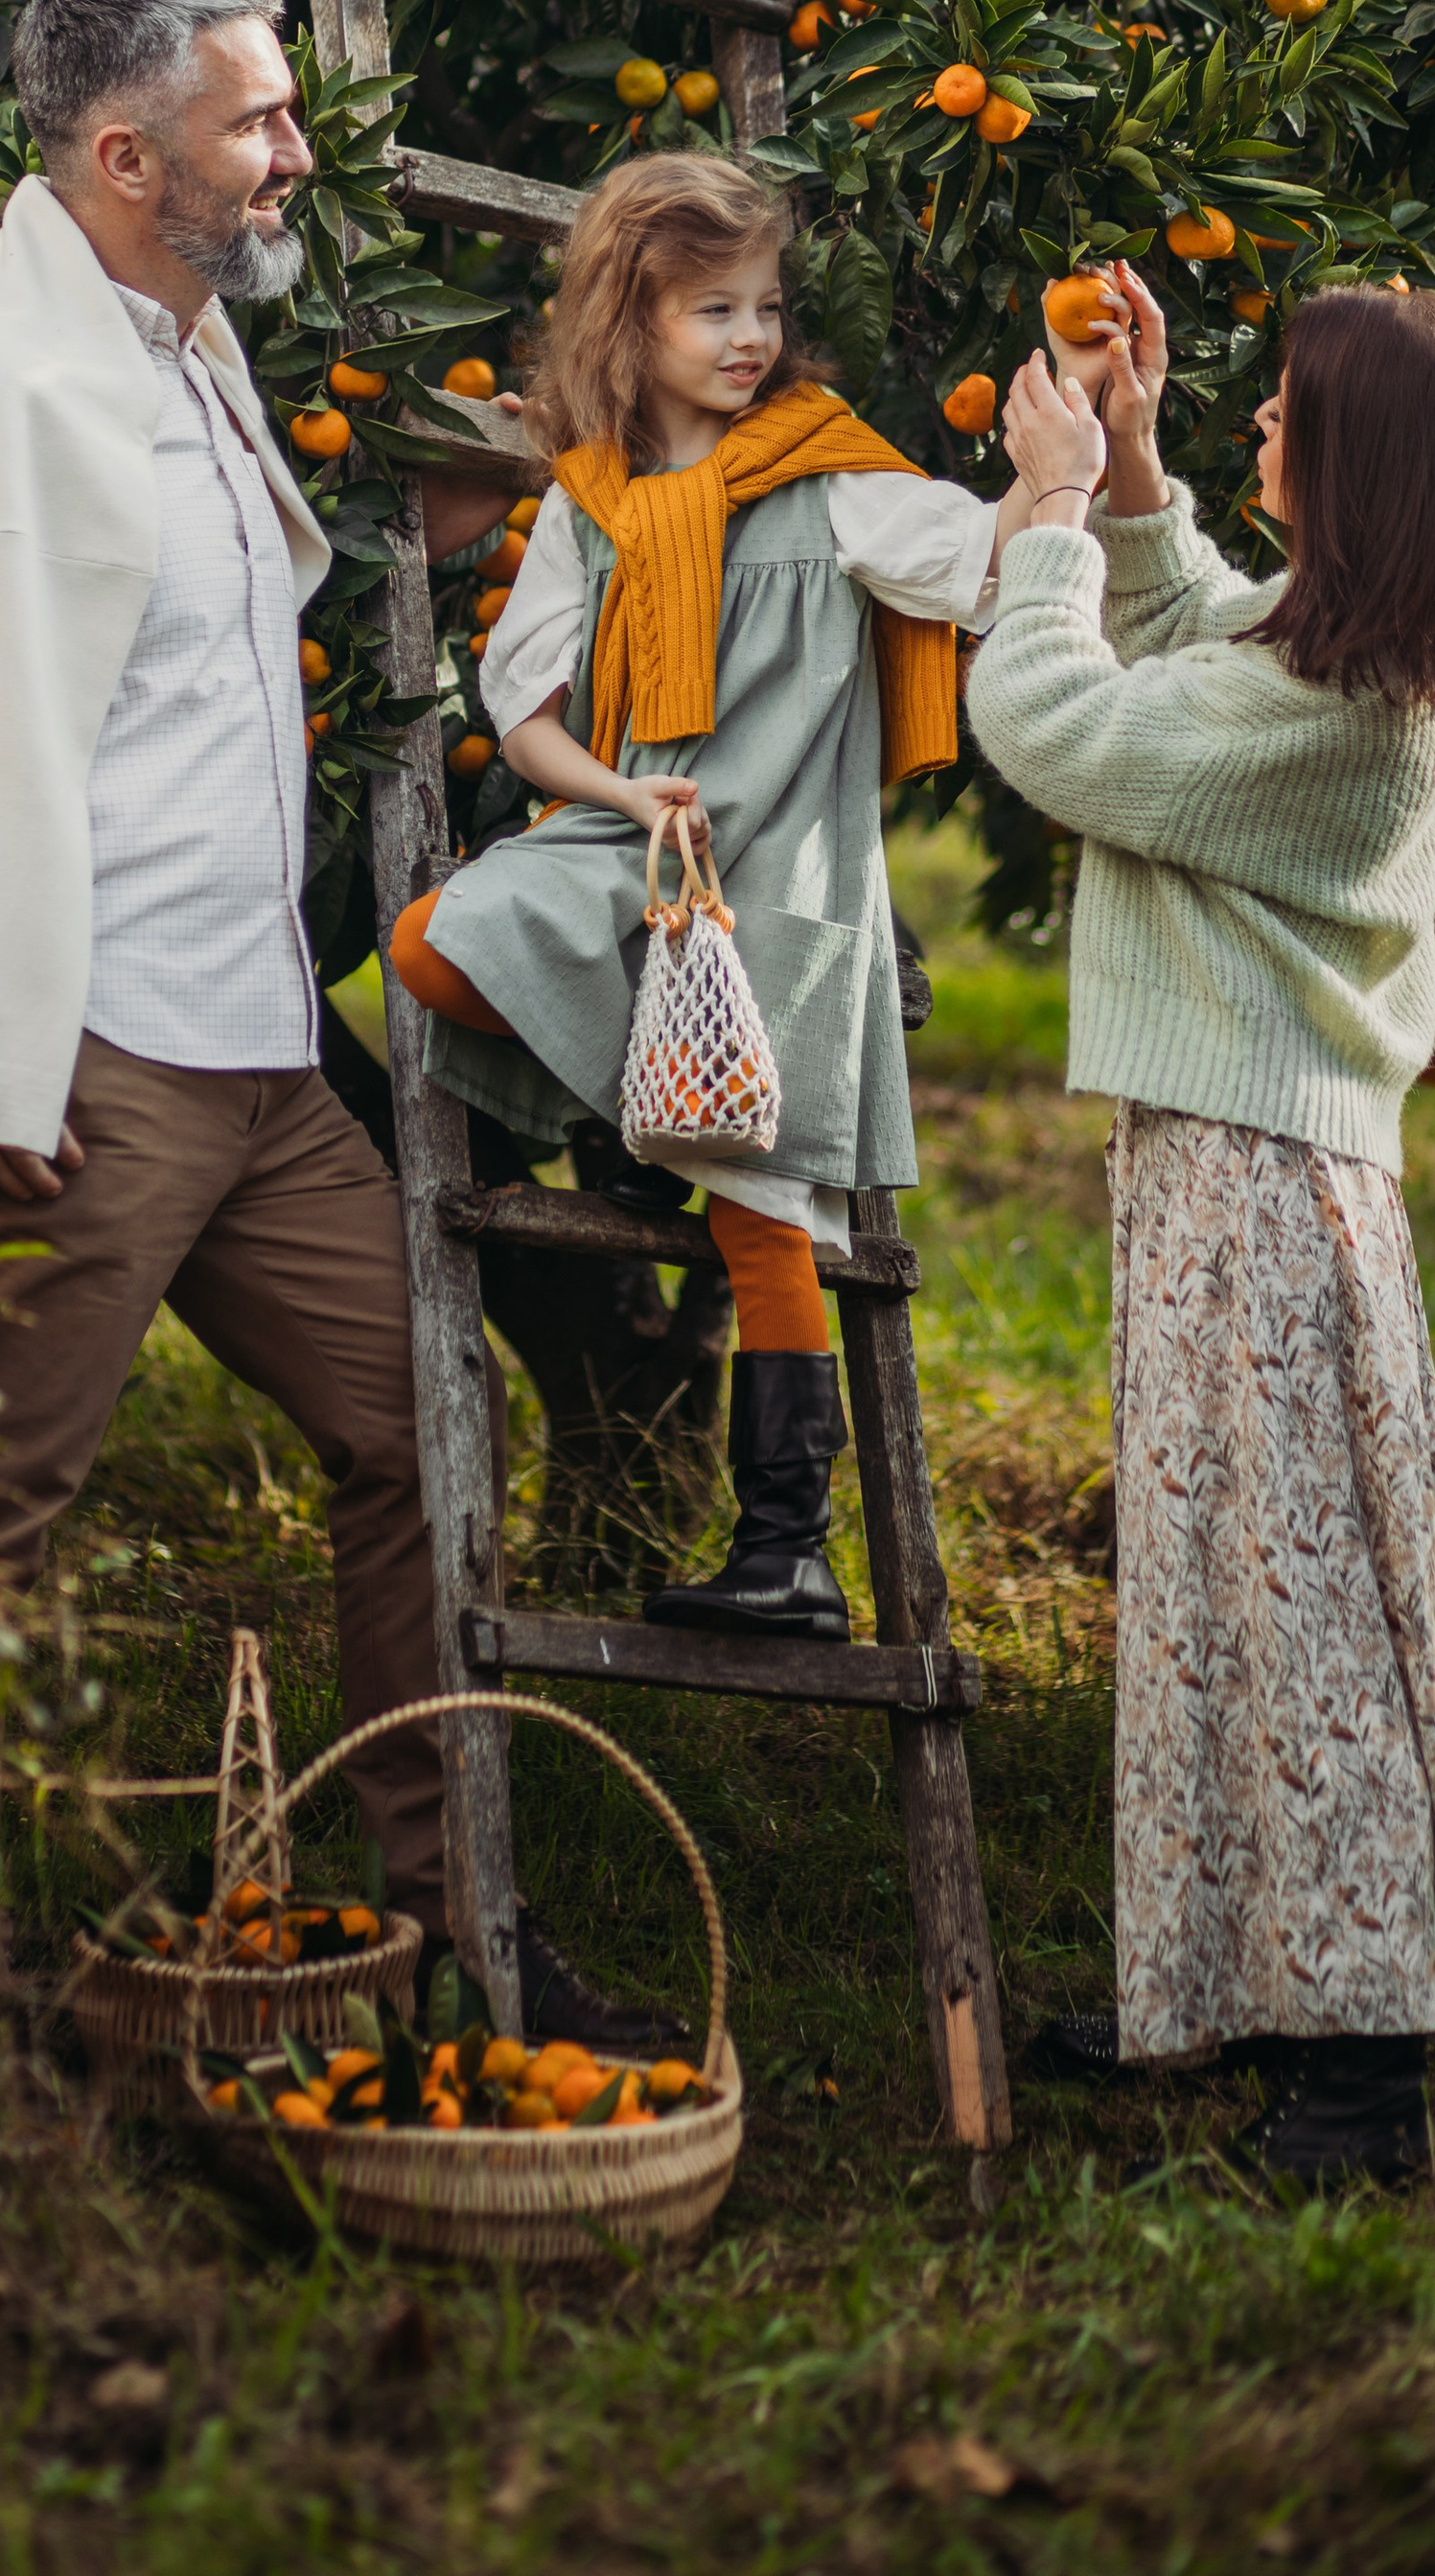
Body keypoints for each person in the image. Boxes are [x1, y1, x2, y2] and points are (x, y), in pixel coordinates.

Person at [0, 0, 636, 2037]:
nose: (294, 151)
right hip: (90, 1064)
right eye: (257, 119)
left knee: (416, 1432)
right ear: (131, 152)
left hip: (255, 1067)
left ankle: (447, 1918)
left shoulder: (173, 339)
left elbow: (181, 647)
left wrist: (438, 507)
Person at [967, 268, 1435, 2185]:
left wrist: (1037, 516)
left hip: (1258, 1182)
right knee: (1221, 1600)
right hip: (1237, 1164)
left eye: (1285, 418)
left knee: (1295, 1629)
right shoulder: (1347, 651)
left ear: (1353, 465)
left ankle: (1356, 2076)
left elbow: (1067, 731)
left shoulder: (1345, 702)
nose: (1256, 433)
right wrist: (1123, 467)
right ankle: (1221, 1993)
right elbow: (1193, 627)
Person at [385, 151, 1045, 1637]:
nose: (751, 339)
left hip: (780, 873)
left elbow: (987, 564)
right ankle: (641, 1128)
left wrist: (1061, 463)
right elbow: (523, 701)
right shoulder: (592, 503)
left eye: (765, 307)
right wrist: (619, 794)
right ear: (633, 322)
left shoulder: (836, 484)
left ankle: (787, 1551)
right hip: (637, 841)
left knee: (768, 1210)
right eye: (711, 312)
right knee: (439, 942)